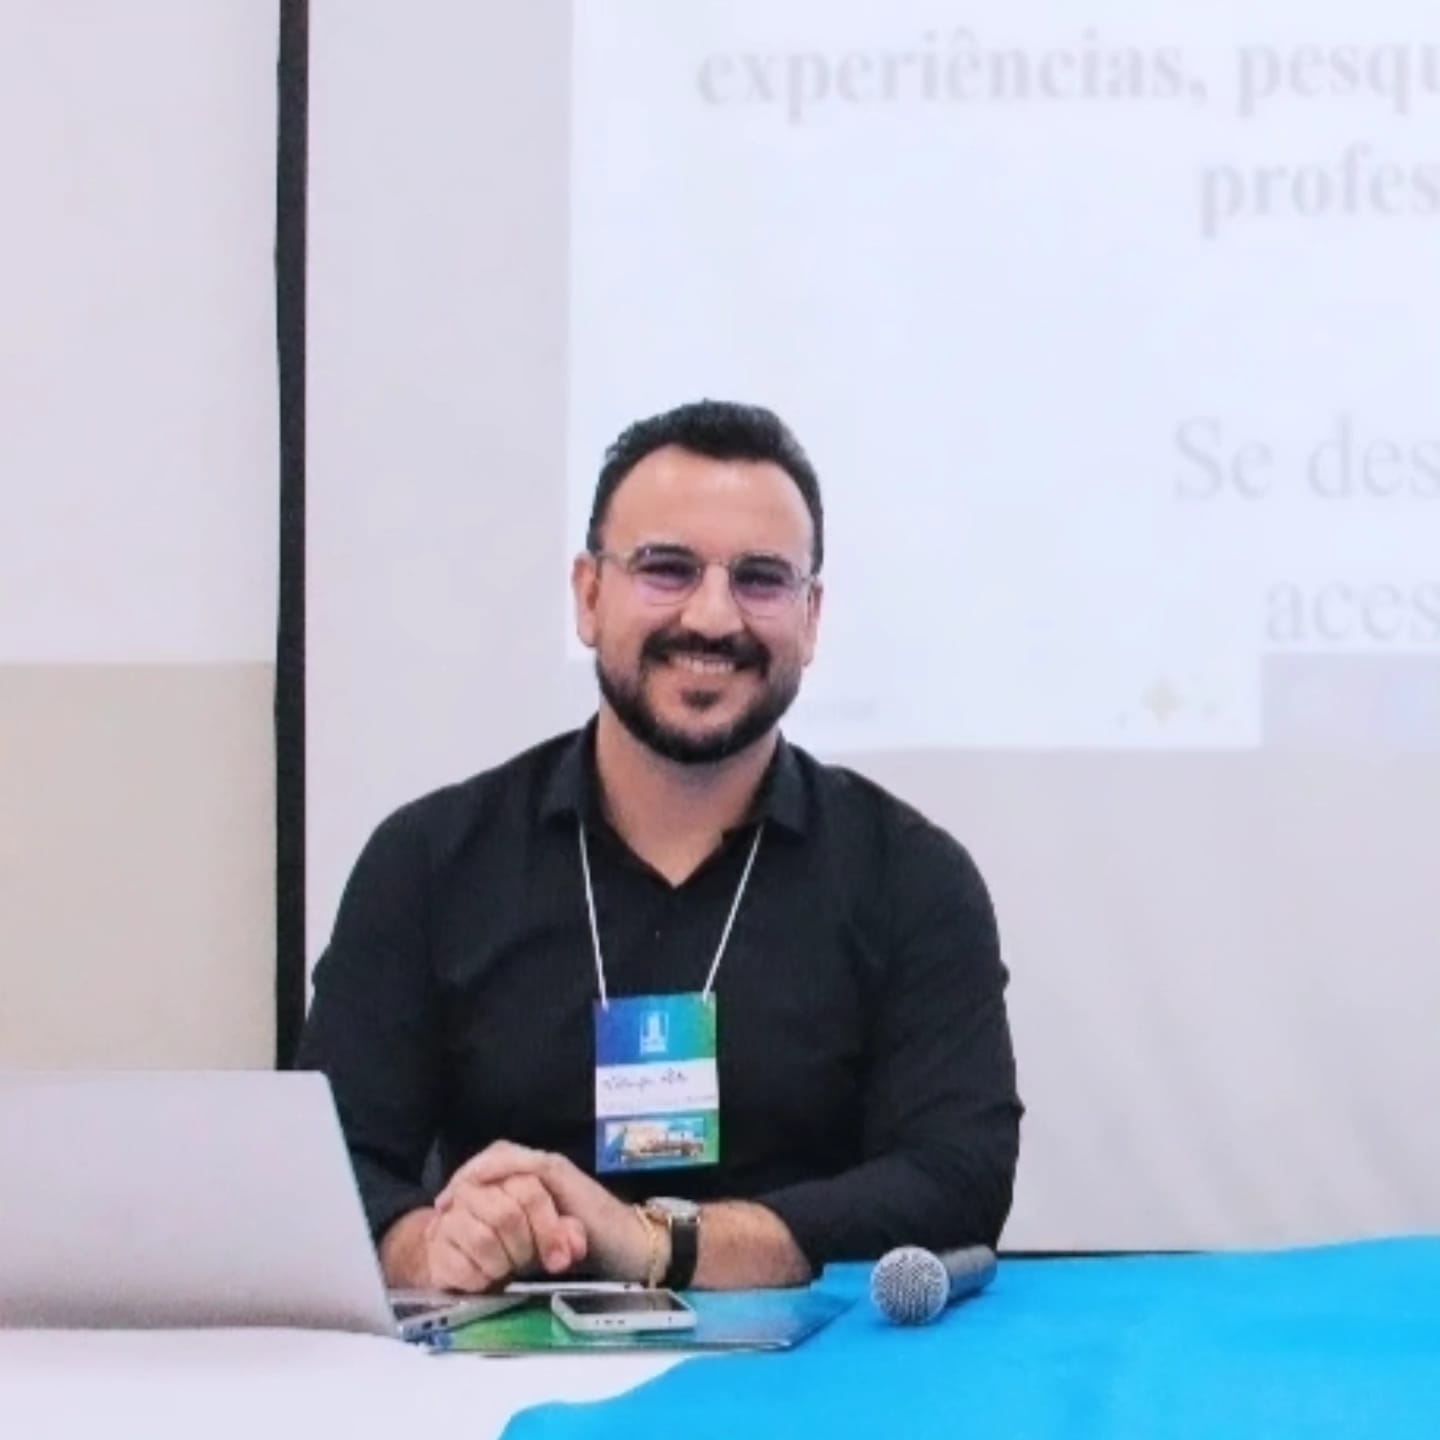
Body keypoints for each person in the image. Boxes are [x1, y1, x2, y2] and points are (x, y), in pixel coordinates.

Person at [299, 399, 1021, 1294]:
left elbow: (956, 1180)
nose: (713, 618)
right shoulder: (428, 863)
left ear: (810, 617)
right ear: (588, 596)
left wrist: (656, 1245)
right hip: (501, 1365)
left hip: (819, 1367)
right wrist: (438, 1245)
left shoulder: (910, 877)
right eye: (667, 569)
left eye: (761, 579)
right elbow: (328, 1173)